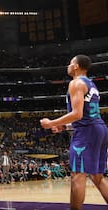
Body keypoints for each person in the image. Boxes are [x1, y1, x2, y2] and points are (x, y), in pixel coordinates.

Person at [40, 54, 108, 210]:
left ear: (76, 66)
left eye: (70, 63)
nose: (68, 66)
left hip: (87, 133)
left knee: (77, 175)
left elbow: (77, 114)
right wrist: (65, 127)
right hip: (100, 129)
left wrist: (52, 122)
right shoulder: (90, 84)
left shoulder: (76, 83)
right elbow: (85, 116)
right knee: (98, 177)